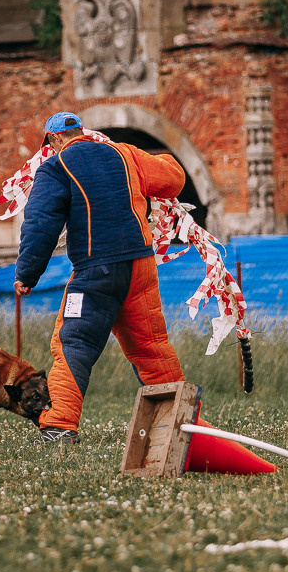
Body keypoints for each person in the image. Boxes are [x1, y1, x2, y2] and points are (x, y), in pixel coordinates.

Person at [13, 111, 188, 443]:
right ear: (83, 131)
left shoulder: (54, 167)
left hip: (96, 272)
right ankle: (179, 421)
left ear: (53, 140)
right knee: (151, 346)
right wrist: (164, 158)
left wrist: (27, 273)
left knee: (73, 342)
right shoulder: (126, 153)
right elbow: (173, 179)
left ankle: (59, 426)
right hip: (141, 267)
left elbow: (40, 224)